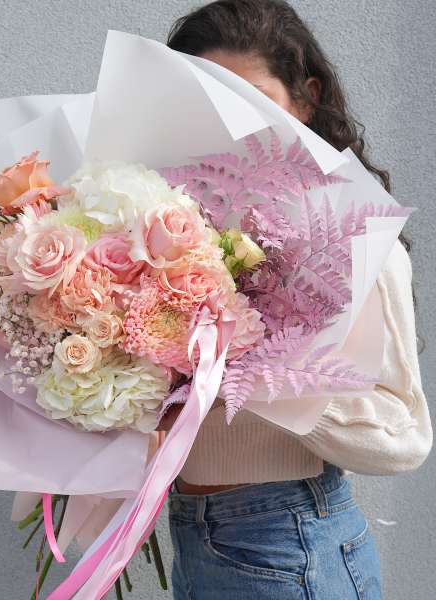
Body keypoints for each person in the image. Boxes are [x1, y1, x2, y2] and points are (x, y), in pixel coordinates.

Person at [159, 1, 433, 598]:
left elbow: (404, 435)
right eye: (209, 100)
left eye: (252, 100)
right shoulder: (171, 231)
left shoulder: (351, 239)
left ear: (306, 99)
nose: (230, 123)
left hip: (288, 544)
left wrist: (259, 372)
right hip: (196, 537)